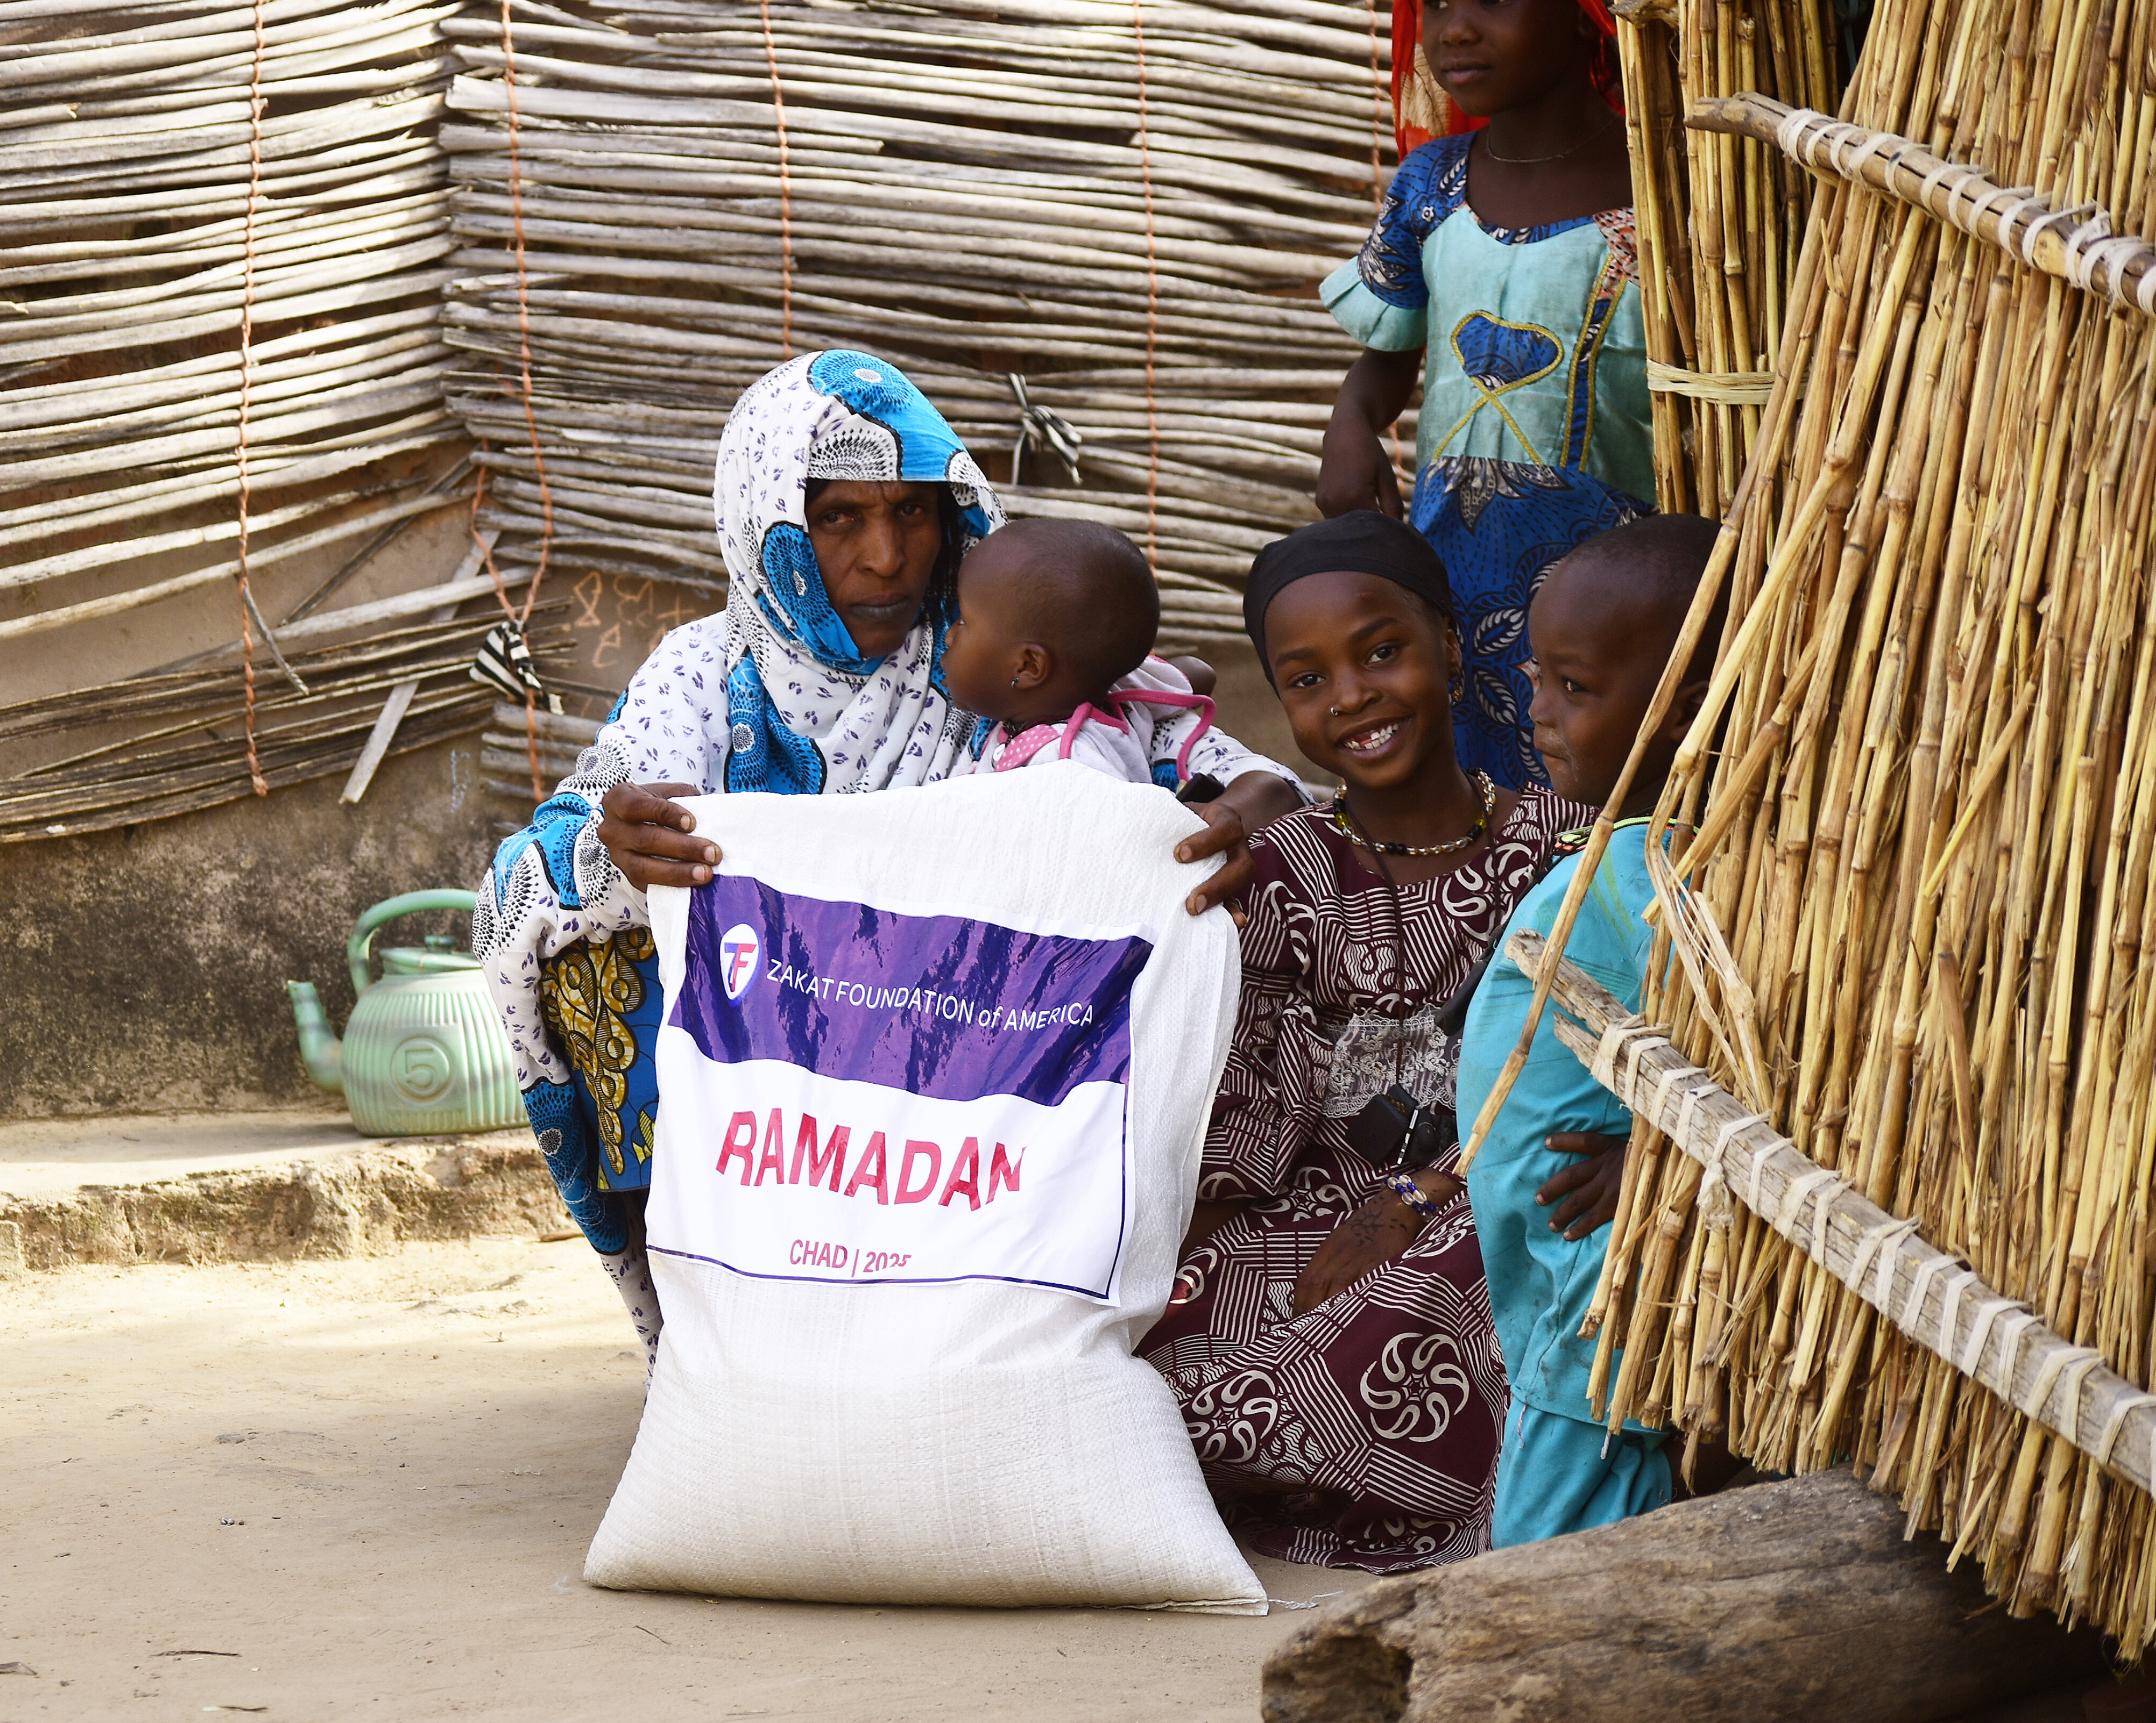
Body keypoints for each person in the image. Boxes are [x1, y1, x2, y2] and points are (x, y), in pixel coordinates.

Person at [473, 351, 1302, 1359]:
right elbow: (549, 854)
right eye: (837, 518)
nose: (888, 557)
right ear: (765, 516)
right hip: (779, 1096)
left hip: (996, 1072)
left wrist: (1242, 818)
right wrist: (617, 844)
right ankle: (731, 1336)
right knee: (572, 943)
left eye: (913, 511)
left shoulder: (1011, 640)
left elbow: (1249, 778)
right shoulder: (705, 671)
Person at [1138, 511, 1595, 1571]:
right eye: (1304, 680)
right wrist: (1180, 1229)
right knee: (1157, 1317)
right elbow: (1256, 1092)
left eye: (1380, 652)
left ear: (1445, 644)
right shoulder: (1285, 861)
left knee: (1484, 1275)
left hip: (1486, 1195)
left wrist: (1426, 1196)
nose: (1349, 695)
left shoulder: (1558, 847)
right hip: (1316, 1200)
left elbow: (1569, 1060)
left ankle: (1359, 1474)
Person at [1454, 512, 1722, 1547]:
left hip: (1593, 1272)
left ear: (1680, 710)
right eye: (1532, 678)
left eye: (1573, 687)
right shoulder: (1624, 853)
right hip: (1553, 1264)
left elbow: (1757, 1059)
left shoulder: (1671, 879)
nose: (1536, 713)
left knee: (1550, 1542)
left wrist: (1662, 1147)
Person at [1316, 0, 1653, 792]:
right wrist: (1354, 420)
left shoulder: (1665, 188)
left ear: (1585, 16)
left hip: (1613, 578)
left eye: (1492, 0)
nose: (1454, 29)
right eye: (1435, 5)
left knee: (1588, 787)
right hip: (1449, 567)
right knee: (1462, 779)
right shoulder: (1431, 183)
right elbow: (1390, 356)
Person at [941, 517, 1218, 784]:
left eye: (964, 621)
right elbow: (1200, 673)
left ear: (1028, 667)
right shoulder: (1122, 689)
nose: (949, 635)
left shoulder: (1065, 768)